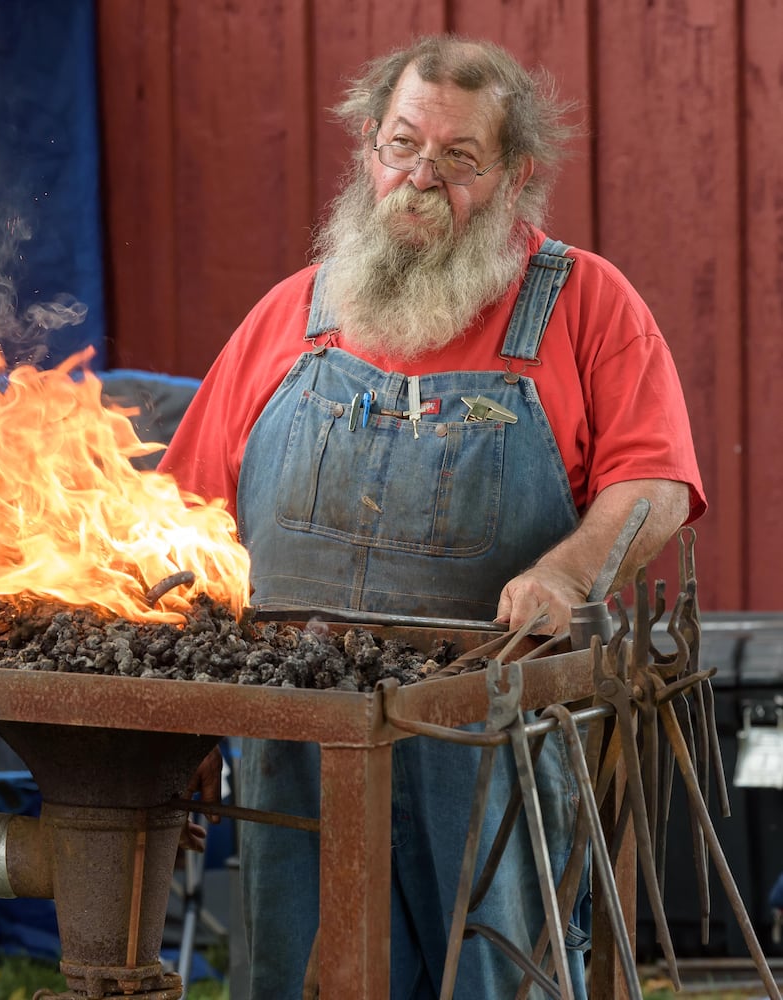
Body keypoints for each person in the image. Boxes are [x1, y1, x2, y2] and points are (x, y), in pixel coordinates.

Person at [160, 35, 705, 998]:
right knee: (301, 977)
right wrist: (190, 719)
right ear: (370, 144)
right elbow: (184, 516)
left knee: (496, 975)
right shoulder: (292, 316)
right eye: (404, 145)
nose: (420, 178)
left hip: (490, 731)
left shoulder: (587, 306)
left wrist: (568, 574)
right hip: (299, 738)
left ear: (514, 175)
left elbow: (654, 484)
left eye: (458, 159)